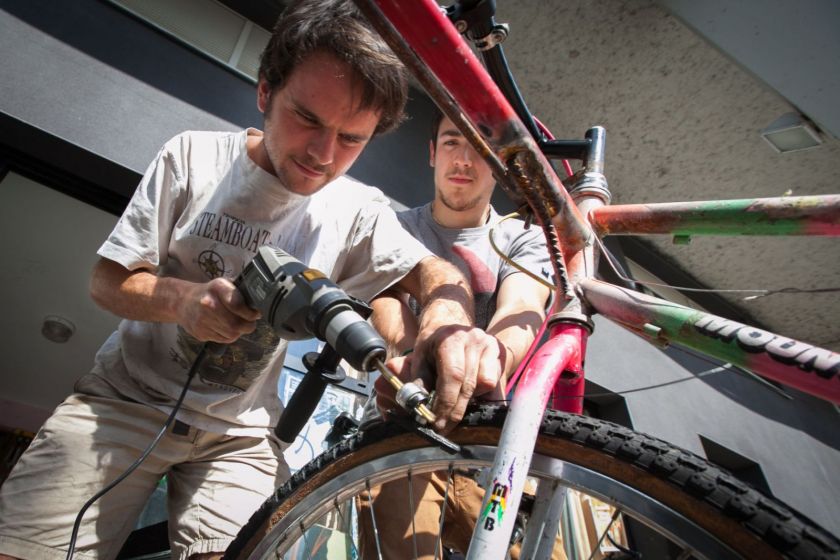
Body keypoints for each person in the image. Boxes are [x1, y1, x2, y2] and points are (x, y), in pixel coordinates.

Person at [0, 3, 502, 560]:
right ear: (266, 91)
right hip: (123, 401)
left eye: (351, 138)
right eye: (308, 118)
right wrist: (184, 300)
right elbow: (107, 280)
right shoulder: (192, 157)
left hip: (240, 437)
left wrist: (448, 323)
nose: (324, 154)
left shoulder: (359, 209)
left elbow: (435, 274)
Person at [358, 111, 566, 559]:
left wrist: (493, 356)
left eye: (481, 150)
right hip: (403, 437)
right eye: (452, 142)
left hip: (492, 447)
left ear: (499, 166)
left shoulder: (520, 237)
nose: (464, 160)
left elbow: (522, 306)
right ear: (432, 152)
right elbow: (385, 302)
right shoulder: (395, 229)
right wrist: (414, 360)